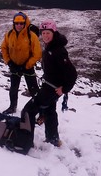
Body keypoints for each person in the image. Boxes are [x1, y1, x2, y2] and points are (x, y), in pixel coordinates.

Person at [21, 19, 77, 147]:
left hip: (51, 90)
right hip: (50, 87)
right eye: (43, 33)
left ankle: (25, 141)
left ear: (54, 32)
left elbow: (72, 73)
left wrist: (64, 89)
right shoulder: (51, 47)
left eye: (48, 33)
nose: (45, 36)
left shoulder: (58, 51)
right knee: (50, 112)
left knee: (28, 111)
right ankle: (53, 140)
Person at [0, 11, 42, 114]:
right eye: (16, 23)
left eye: (21, 23)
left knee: (33, 90)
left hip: (27, 67)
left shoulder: (31, 36)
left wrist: (26, 65)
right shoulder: (9, 34)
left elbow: (37, 53)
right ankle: (12, 107)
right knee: (13, 88)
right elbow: (4, 48)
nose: (19, 25)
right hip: (14, 66)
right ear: (13, 23)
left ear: (25, 23)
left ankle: (40, 111)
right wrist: (9, 62)